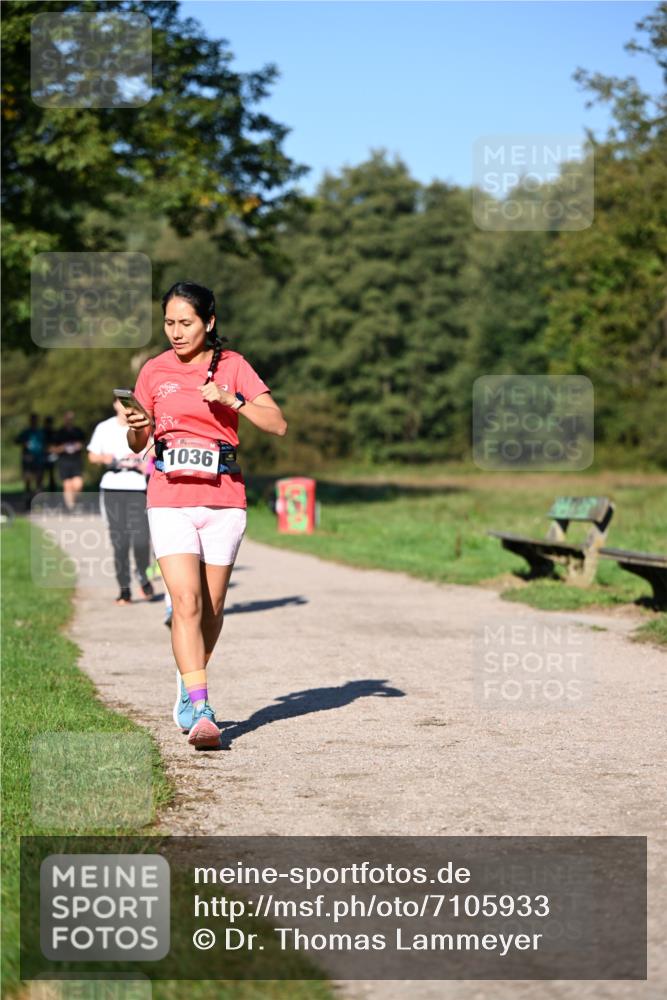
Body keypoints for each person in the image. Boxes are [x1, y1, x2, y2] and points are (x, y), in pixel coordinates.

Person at [126, 281, 287, 749]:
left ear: (209, 323)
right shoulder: (154, 371)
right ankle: (201, 708)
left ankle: (187, 674)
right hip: (169, 498)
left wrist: (232, 400)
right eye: (169, 323)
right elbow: (138, 444)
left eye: (186, 323)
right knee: (187, 604)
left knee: (212, 611)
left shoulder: (233, 366)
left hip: (223, 501)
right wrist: (139, 430)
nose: (176, 332)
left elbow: (277, 423)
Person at [87, 398, 156, 605]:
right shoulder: (104, 427)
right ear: (115, 404)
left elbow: (154, 449)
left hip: (138, 488)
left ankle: (143, 575)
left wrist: (145, 461)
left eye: (130, 402)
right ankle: (124, 589)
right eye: (121, 402)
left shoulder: (142, 425)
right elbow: (92, 456)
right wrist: (104, 459)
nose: (125, 406)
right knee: (120, 542)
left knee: (142, 540)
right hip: (112, 487)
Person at [52, 411, 86, 512]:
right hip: (64, 461)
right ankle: (71, 508)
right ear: (64, 419)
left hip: (76, 461)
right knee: (67, 485)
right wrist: (62, 448)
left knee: (78, 485)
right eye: (68, 418)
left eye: (71, 418)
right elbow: (52, 448)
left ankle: (76, 502)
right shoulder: (59, 433)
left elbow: (85, 444)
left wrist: (79, 446)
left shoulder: (78, 431)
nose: (69, 420)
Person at [14, 413, 46, 506]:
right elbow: (16, 440)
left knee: (39, 482)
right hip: (28, 460)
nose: (34, 422)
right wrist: (24, 442)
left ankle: (38, 502)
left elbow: (46, 444)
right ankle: (28, 502)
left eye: (35, 420)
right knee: (28, 482)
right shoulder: (26, 432)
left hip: (39, 460)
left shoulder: (41, 432)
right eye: (32, 420)